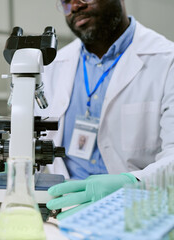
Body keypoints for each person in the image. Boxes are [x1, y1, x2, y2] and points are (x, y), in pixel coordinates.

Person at [34, 0, 174, 219]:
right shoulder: (54, 65)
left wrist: (133, 184)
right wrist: (11, 167)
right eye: (66, 2)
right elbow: (34, 140)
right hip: (66, 207)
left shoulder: (166, 60)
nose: (75, 6)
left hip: (138, 209)